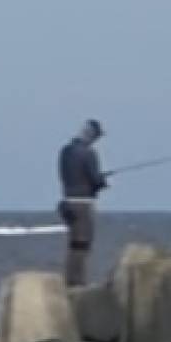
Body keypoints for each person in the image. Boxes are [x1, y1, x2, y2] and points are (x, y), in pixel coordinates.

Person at [57, 119, 108, 287]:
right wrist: (102, 181)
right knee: (83, 243)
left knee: (73, 243)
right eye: (96, 136)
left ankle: (70, 278)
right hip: (83, 203)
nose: (96, 140)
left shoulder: (65, 151)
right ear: (91, 134)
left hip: (67, 202)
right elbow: (94, 179)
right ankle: (78, 282)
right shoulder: (88, 153)